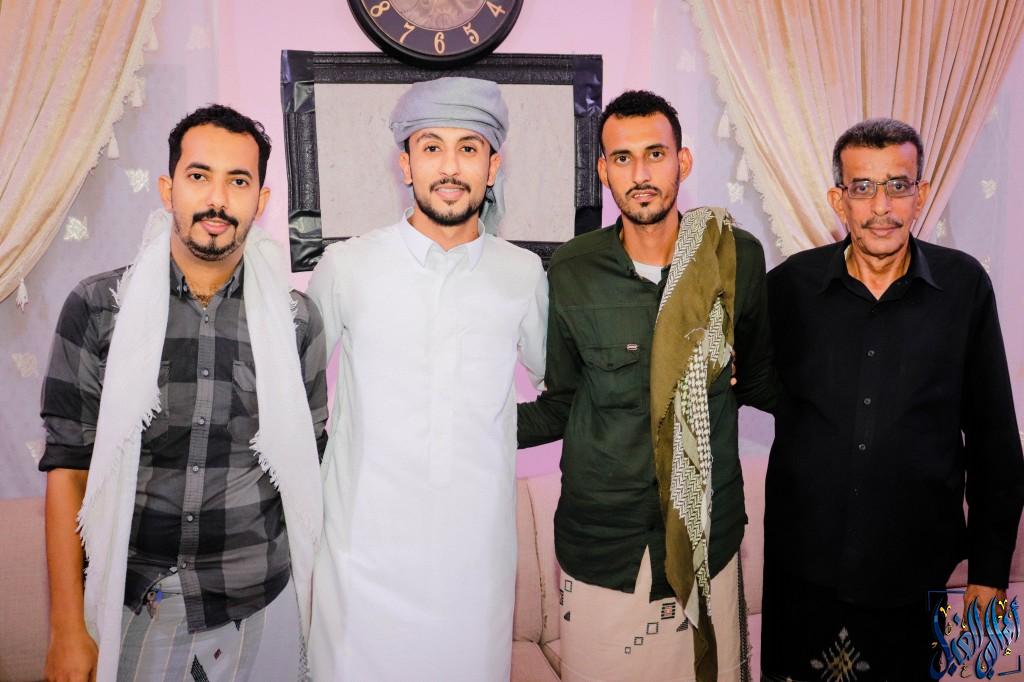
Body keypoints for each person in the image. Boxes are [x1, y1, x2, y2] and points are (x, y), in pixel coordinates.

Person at [39, 105, 328, 682]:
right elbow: (69, 472)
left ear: (261, 202)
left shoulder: (296, 321)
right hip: (138, 602)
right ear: (169, 189)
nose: (217, 199)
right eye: (199, 176)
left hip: (259, 602)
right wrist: (68, 630)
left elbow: (309, 471)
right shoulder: (100, 307)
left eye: (238, 182)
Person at [518, 90, 774, 682]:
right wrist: (462, 426)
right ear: (603, 171)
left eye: (655, 154)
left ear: (683, 161)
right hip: (604, 542)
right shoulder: (573, 269)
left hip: (706, 535)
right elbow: (561, 404)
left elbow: (759, 379)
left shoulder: (733, 256)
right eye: (623, 158)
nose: (640, 174)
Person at [761, 118, 1024, 680]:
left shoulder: (964, 287)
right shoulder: (788, 288)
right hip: (803, 569)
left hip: (914, 572)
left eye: (897, 185)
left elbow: (994, 437)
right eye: (862, 187)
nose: (881, 207)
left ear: (920, 194)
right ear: (839, 200)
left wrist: (990, 570)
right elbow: (735, 375)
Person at [306, 76, 547, 681]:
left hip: (473, 561)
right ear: (405, 164)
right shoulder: (347, 265)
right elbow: (292, 392)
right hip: (361, 555)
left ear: (493, 167)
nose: (450, 167)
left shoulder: (523, 273)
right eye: (432, 147)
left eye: (469, 148)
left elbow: (564, 387)